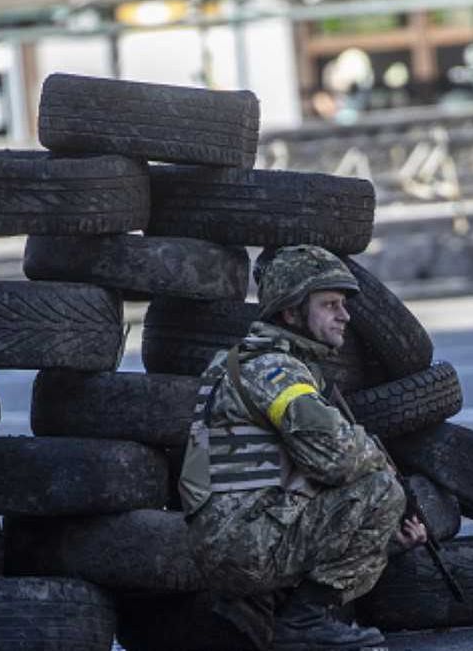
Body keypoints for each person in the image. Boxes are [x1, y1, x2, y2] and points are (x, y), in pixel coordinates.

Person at [178, 245, 428, 651]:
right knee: (382, 490)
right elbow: (337, 458)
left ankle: (258, 609)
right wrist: (376, 458)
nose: (344, 316)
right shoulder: (276, 371)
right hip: (247, 542)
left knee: (368, 495)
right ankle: (304, 623)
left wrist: (385, 540)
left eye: (343, 304)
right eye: (329, 304)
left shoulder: (241, 361)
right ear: (290, 313)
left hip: (230, 538)